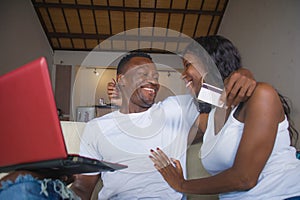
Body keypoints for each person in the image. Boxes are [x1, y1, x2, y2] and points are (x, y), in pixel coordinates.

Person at [70, 51, 256, 200]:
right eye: (142, 74)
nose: (152, 80)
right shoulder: (96, 128)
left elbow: (224, 104)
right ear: (121, 80)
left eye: (155, 76)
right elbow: (82, 188)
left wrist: (241, 75)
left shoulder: (177, 108)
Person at [150, 35, 300, 200]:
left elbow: (244, 179)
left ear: (210, 63)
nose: (183, 74)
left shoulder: (261, 94)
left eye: (188, 65)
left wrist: (180, 184)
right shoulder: (211, 116)